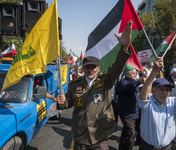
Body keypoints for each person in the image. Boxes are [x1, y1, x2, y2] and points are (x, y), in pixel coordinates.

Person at [57, 20, 133, 150]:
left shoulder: (106, 81)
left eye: (93, 67)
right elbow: (68, 103)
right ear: (83, 68)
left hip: (100, 136)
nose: (90, 70)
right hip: (81, 136)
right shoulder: (75, 84)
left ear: (98, 68)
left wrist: (124, 48)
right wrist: (62, 102)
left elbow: (117, 68)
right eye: (87, 67)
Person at [136, 57, 176, 150]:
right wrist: (154, 71)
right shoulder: (148, 103)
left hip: (167, 147)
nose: (165, 93)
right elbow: (143, 95)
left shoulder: (172, 102)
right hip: (148, 147)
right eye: (161, 89)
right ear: (153, 90)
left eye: (167, 90)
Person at [117, 66, 146, 150]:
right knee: (131, 133)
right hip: (126, 113)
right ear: (127, 74)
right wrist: (138, 81)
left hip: (135, 112)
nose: (135, 75)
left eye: (136, 73)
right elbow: (126, 87)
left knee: (126, 132)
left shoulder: (135, 82)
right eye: (133, 73)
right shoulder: (123, 82)